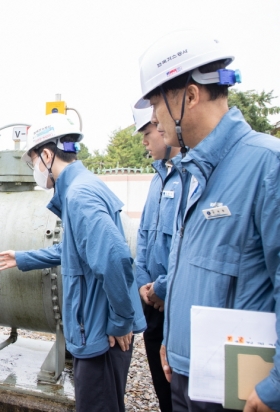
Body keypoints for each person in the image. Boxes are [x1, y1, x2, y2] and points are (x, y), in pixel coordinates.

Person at [135, 30, 280, 412]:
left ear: (191, 96)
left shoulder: (268, 165)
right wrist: (172, 339)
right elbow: (188, 270)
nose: (153, 120)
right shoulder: (192, 170)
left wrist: (275, 387)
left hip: (236, 386)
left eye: (156, 104)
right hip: (186, 373)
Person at [0, 113, 146, 412]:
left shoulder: (79, 195)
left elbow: (114, 258)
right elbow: (77, 252)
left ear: (47, 155)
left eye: (33, 160)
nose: (34, 168)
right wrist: (23, 258)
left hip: (102, 335)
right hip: (99, 329)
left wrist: (120, 322)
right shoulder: (81, 187)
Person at [133, 105, 181, 412]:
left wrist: (162, 288)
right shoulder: (157, 179)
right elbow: (143, 238)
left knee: (182, 394)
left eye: (148, 133)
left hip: (175, 304)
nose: (145, 142)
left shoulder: (188, 177)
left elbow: (185, 244)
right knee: (164, 393)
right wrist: (142, 285)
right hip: (153, 306)